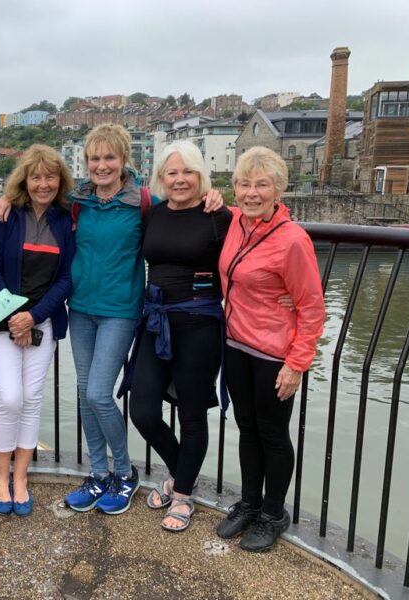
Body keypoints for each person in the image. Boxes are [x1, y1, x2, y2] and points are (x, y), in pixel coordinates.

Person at [0, 124, 222, 516]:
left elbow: (182, 210)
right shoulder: (77, 201)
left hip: (120, 310)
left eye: (109, 157)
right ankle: (99, 473)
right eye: (95, 158)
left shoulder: (143, 202)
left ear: (123, 160)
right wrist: (5, 199)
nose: (102, 165)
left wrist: (211, 196)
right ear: (86, 162)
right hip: (81, 308)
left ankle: (124, 472)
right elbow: (38, 195)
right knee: (86, 393)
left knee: (100, 393)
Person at [216, 147, 325, 552]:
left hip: (275, 354)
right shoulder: (235, 222)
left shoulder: (292, 240)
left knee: (272, 434)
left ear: (278, 190)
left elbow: (312, 307)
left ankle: (274, 513)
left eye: (261, 184)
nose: (251, 192)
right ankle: (250, 503)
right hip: (236, 344)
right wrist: (211, 196)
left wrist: (296, 364)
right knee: (247, 427)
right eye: (244, 183)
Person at [128, 141, 232, 532]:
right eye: (172, 172)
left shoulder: (218, 215)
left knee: (191, 415)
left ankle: (183, 494)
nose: (180, 179)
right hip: (156, 321)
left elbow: (255, 233)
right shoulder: (153, 214)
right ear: (161, 177)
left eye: (188, 171)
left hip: (199, 325)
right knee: (143, 411)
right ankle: (181, 474)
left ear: (201, 175)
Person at [0, 145, 75, 516]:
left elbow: (67, 277)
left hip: (43, 322)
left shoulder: (66, 220)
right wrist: (15, 317)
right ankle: (0, 478)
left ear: (60, 181)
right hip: (5, 323)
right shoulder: (8, 216)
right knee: (8, 398)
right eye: (36, 177)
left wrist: (33, 316)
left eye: (50, 177)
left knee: (32, 399)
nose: (43, 184)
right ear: (24, 180)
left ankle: (20, 478)